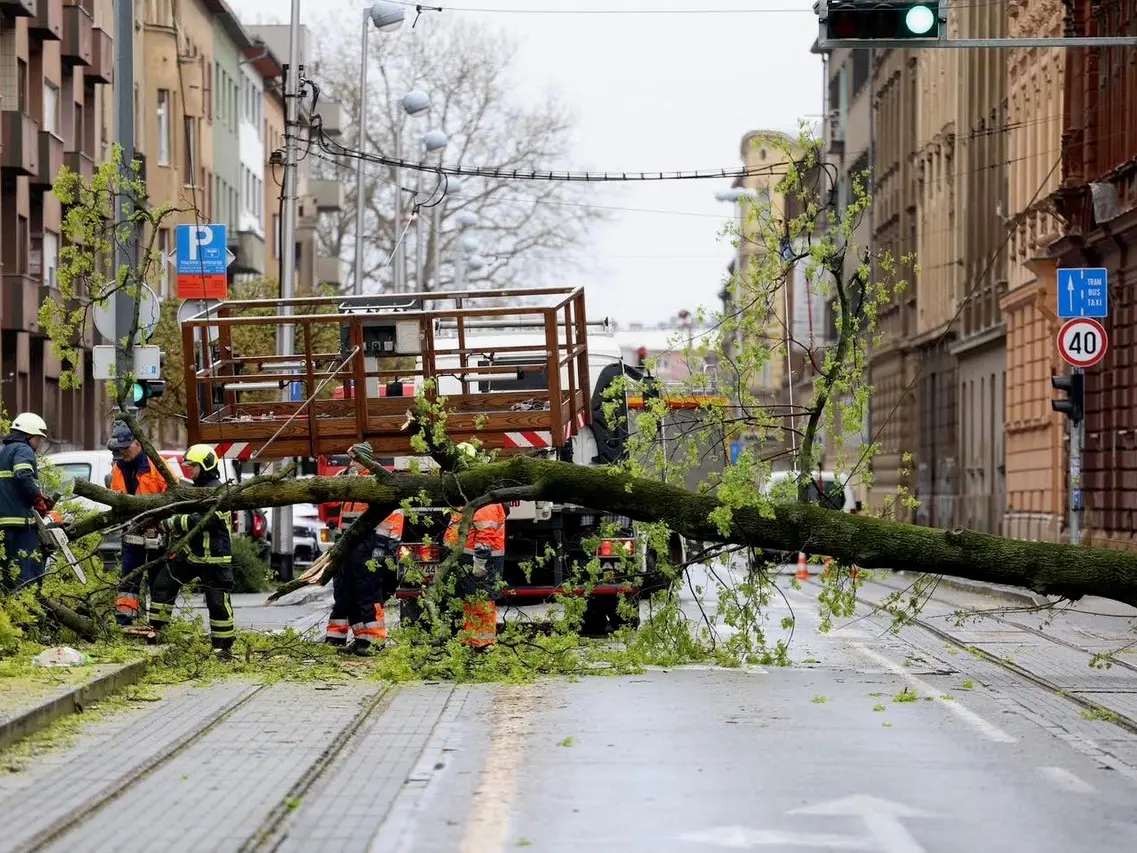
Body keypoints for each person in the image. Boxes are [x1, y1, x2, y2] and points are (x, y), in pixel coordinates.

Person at [147, 444, 235, 656]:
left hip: (214, 557)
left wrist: (171, 523)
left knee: (217, 603)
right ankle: (157, 632)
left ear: (205, 465)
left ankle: (223, 647)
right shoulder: (195, 489)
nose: (189, 470)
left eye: (193, 466)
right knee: (162, 584)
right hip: (192, 554)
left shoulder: (219, 491)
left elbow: (203, 520)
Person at [325, 465, 405, 655]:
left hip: (369, 546)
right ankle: (361, 639)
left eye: (354, 458)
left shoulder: (377, 484)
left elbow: (392, 519)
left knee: (369, 595)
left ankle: (375, 641)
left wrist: (382, 548)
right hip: (349, 545)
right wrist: (342, 476)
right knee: (348, 594)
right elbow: (331, 502)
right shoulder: (351, 482)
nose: (351, 463)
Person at [107, 423, 169, 625]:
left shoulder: (157, 465)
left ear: (138, 444)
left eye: (127, 447)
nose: (123, 451)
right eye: (121, 448)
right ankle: (124, 621)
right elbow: (117, 498)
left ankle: (158, 624)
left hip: (156, 532)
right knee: (129, 578)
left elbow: (175, 496)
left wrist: (163, 523)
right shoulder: (119, 468)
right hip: (132, 533)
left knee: (158, 580)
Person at [442, 500, 507, 648]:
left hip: (482, 561)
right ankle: (471, 640)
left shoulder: (486, 506)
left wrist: (480, 564)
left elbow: (485, 537)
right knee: (471, 601)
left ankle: (483, 643)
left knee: (481, 601)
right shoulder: (473, 503)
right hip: (469, 559)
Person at [0, 413, 53, 588]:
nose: (39, 444)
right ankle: (29, 609)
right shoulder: (23, 450)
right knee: (27, 573)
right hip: (20, 523)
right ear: (29, 435)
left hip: (3, 524)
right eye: (38, 439)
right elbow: (23, 475)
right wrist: (37, 498)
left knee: (8, 574)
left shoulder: (3, 450)